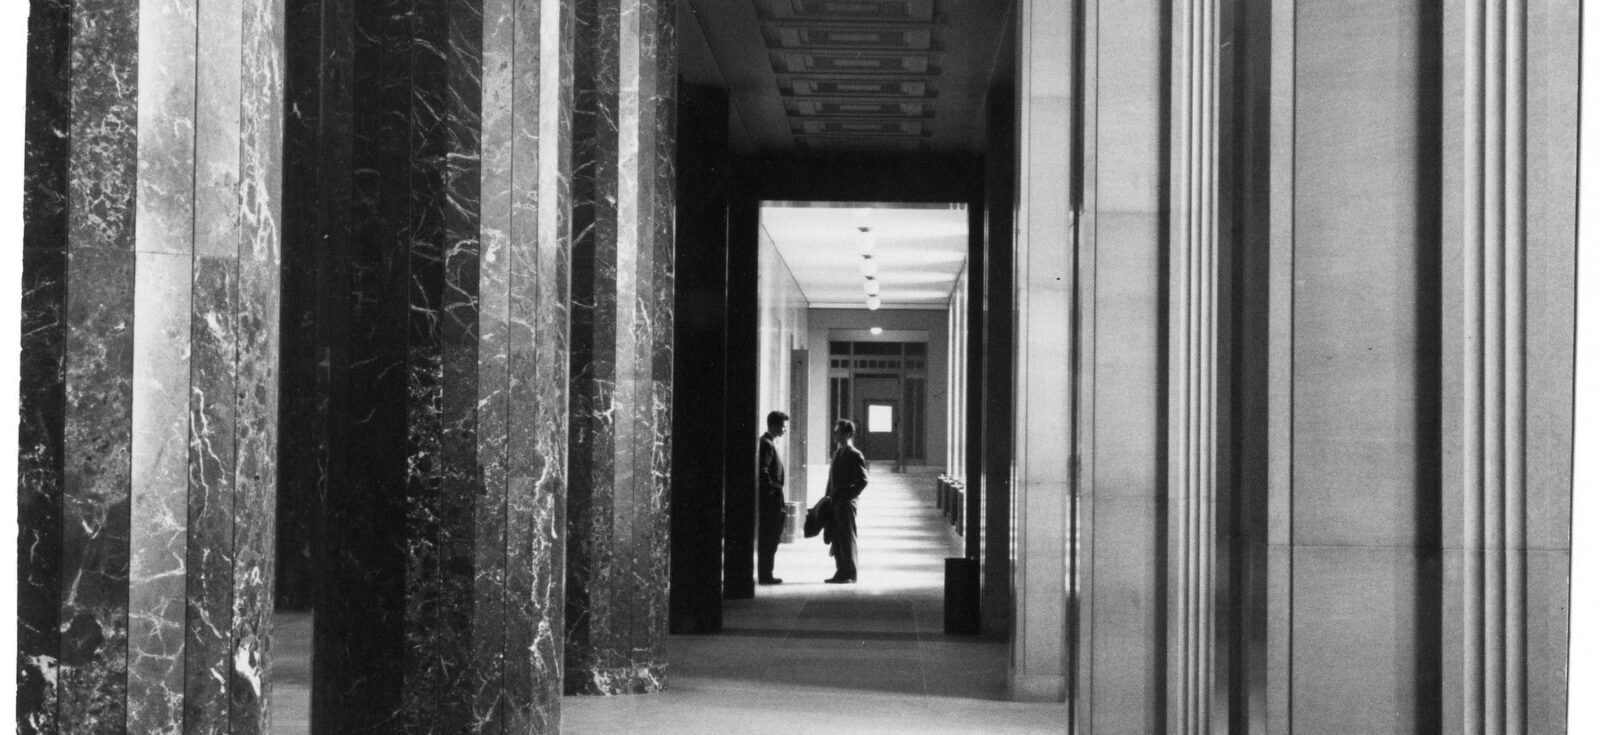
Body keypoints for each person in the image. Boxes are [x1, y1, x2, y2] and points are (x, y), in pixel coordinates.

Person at [823, 419, 869, 584]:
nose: (835, 435)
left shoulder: (854, 454)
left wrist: (849, 495)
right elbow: (831, 480)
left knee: (847, 537)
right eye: (835, 432)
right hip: (835, 501)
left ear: (848, 434)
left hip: (846, 502)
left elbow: (863, 480)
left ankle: (850, 572)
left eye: (838, 432)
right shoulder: (837, 454)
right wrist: (827, 498)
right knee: (836, 536)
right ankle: (841, 570)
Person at [757, 410, 790, 585]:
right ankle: (765, 574)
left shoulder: (769, 442)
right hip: (771, 498)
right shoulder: (767, 444)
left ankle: (766, 573)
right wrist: (772, 490)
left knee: (771, 537)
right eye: (783, 426)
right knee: (770, 537)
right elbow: (763, 470)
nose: (785, 430)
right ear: (775, 425)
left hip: (773, 496)